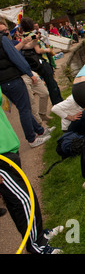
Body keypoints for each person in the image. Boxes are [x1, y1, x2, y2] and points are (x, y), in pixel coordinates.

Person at [0, 87, 63, 253]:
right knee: (23, 200)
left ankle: (38, 236)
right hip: (1, 158)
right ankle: (37, 246)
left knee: (20, 199)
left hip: (8, 150)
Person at [0, 21, 51, 148]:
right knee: (25, 109)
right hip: (13, 79)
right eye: (4, 30)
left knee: (24, 108)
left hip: (4, 83)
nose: (6, 32)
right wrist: (29, 73)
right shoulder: (3, 40)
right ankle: (31, 139)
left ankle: (40, 131)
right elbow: (15, 56)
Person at [20, 17, 63, 105]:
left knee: (49, 82)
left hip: (35, 63)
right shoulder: (32, 36)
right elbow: (38, 50)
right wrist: (47, 50)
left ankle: (57, 103)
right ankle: (58, 103)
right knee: (51, 83)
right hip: (41, 61)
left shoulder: (23, 37)